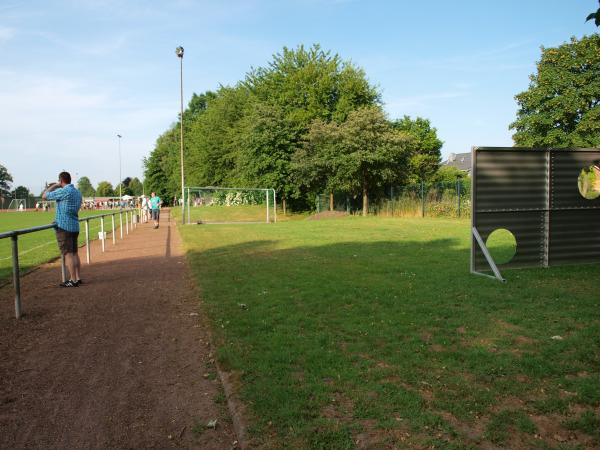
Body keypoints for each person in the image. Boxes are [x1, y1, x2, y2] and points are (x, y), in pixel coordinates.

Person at [43, 171, 83, 287]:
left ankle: (73, 280)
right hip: (74, 226)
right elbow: (68, 209)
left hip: (64, 228)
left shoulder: (64, 191)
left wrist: (55, 185)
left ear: (61, 181)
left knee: (68, 254)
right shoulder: (77, 192)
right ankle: (78, 278)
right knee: (75, 253)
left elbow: (44, 196)